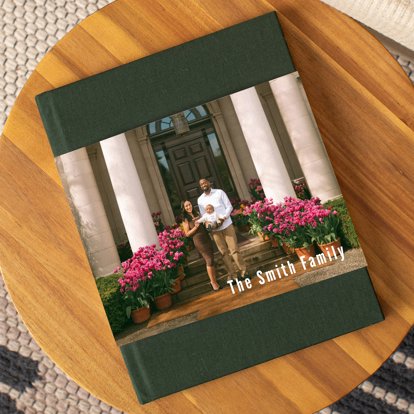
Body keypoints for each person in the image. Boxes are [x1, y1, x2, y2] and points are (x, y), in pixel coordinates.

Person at [197, 178, 248, 282]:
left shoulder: (219, 192)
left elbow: (229, 207)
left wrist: (223, 218)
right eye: (201, 184)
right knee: (223, 253)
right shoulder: (200, 200)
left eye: (205, 182)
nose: (203, 184)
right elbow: (204, 215)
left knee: (234, 250)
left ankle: (243, 272)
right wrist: (209, 224)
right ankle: (233, 276)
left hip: (226, 225)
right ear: (200, 186)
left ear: (209, 183)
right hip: (215, 230)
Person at [181, 200, 220, 291]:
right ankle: (213, 282)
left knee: (211, 258)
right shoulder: (185, 219)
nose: (188, 207)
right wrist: (195, 227)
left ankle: (214, 280)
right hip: (198, 240)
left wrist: (208, 224)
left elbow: (205, 222)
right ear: (184, 208)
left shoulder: (197, 213)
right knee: (209, 260)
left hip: (206, 237)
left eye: (189, 204)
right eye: (186, 206)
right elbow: (187, 234)